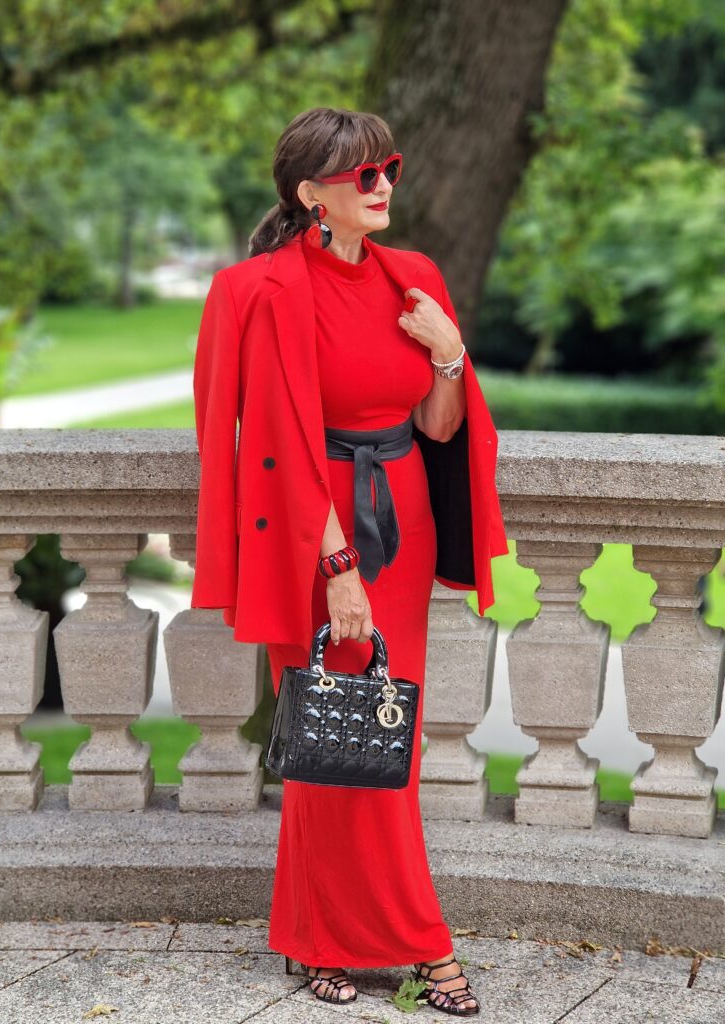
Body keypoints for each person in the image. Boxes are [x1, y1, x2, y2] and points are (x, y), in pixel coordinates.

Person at [191, 106, 508, 1016]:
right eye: (363, 175)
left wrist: (449, 357)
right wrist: (337, 570)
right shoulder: (252, 291)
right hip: (309, 532)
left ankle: (314, 937)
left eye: (388, 169)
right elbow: (264, 443)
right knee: (333, 739)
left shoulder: (416, 277)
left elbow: (437, 429)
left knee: (376, 736)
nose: (382, 186)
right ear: (311, 194)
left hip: (401, 525)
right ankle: (423, 943)